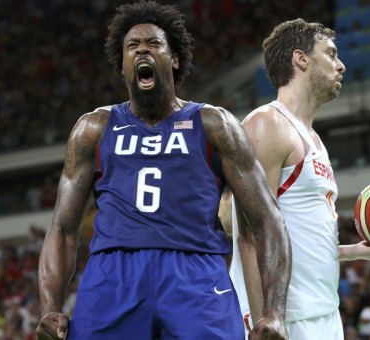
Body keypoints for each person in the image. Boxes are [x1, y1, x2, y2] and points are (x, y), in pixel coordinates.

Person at [35, 1, 291, 339]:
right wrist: (50, 307)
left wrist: (275, 313)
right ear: (122, 64)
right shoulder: (93, 128)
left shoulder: (214, 124)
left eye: (154, 43)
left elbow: (267, 220)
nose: (142, 49)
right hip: (114, 273)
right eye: (132, 46)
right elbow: (63, 230)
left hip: (195, 271)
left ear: (173, 58)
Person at [226, 19, 370, 339]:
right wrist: (263, 321)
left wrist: (359, 252)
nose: (340, 65)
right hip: (285, 319)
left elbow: (302, 239)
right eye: (330, 54)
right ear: (301, 59)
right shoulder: (267, 124)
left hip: (324, 312)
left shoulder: (314, 139)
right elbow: (250, 235)